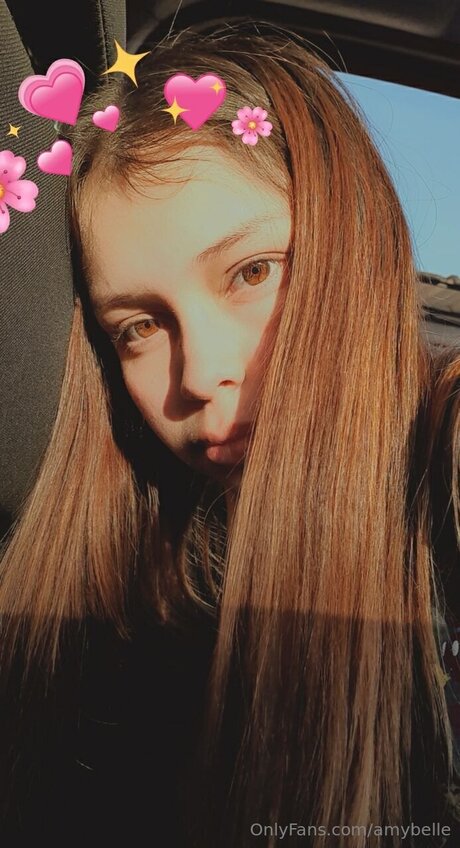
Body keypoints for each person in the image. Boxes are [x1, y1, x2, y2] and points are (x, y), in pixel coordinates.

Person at [1, 22, 460, 848]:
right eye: (139, 326)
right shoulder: (114, 580)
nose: (199, 374)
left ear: (353, 239)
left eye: (252, 272)